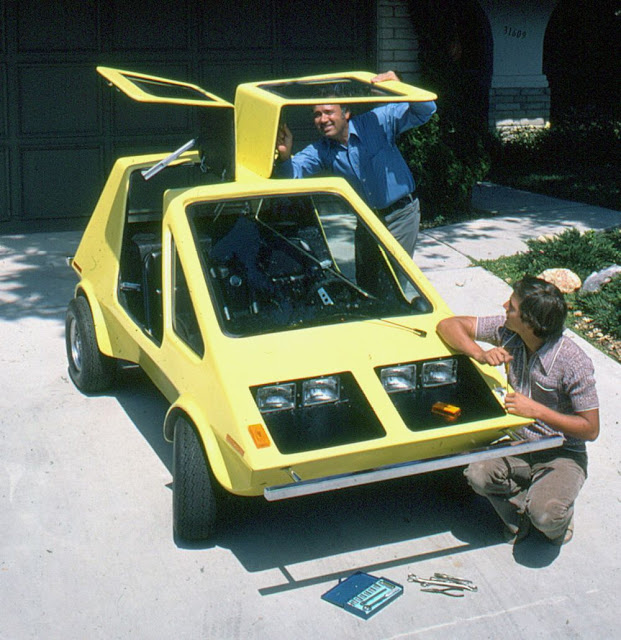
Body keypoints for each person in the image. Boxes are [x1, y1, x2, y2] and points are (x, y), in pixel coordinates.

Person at [436, 276, 599, 546]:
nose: (504, 307)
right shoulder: (509, 332)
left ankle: (553, 512)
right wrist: (480, 353)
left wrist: (537, 411)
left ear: (530, 323)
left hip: (562, 453)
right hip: (520, 444)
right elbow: (448, 325)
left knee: (546, 518)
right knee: (477, 474)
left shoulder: (573, 362)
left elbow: (590, 429)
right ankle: (521, 515)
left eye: (511, 307)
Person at [274, 71, 436, 290]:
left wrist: (400, 89)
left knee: (393, 283)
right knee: (366, 284)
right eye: (317, 114)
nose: (323, 119)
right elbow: (292, 175)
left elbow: (426, 110)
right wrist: (285, 155)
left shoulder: (377, 121)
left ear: (346, 113)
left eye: (328, 112)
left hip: (401, 215)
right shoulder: (322, 150)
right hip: (367, 221)